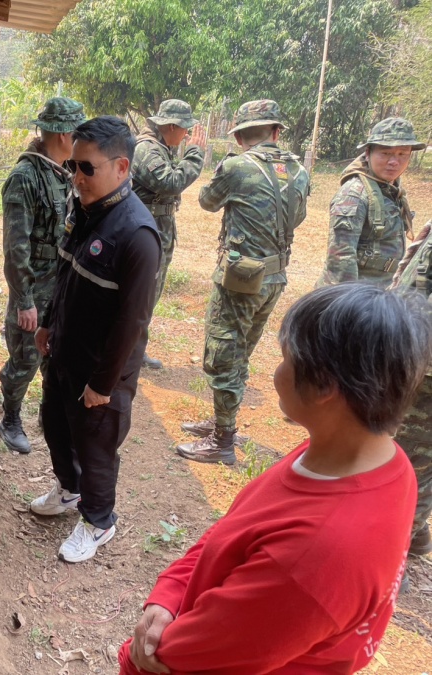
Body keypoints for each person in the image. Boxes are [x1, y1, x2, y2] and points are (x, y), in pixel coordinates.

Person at [120, 284, 431, 675]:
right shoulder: (374, 462)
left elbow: (168, 659)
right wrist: (170, 592)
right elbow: (236, 528)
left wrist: (131, 657)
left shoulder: (315, 556)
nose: (276, 372)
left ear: (325, 387)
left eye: (286, 359)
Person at [30, 116, 161, 562]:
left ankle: (99, 521)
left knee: (95, 447)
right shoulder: (85, 210)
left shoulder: (137, 236)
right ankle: (69, 490)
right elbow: (66, 272)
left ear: (121, 167)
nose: (77, 177)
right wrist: (48, 322)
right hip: (65, 350)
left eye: (87, 168)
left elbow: (132, 322)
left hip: (101, 370)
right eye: (73, 166)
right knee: (55, 425)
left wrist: (103, 385)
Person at [177, 100, 309, 465]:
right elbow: (298, 217)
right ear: (276, 132)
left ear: (238, 136)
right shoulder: (298, 170)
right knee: (241, 350)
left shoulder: (237, 167)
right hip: (275, 275)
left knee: (223, 354)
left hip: (241, 279)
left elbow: (207, 201)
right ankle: (222, 421)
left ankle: (222, 440)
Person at [0, 97, 85, 453]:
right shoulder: (26, 177)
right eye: (77, 131)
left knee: (57, 355)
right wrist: (24, 301)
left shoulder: (65, 172)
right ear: (64, 134)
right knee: (25, 358)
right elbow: (15, 247)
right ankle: (10, 417)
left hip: (61, 284)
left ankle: (50, 415)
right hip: (34, 288)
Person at [131, 99, 206, 370]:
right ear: (171, 126)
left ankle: (134, 351)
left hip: (157, 231)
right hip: (146, 234)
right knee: (140, 296)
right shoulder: (146, 149)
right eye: (184, 129)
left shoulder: (162, 147)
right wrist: (194, 154)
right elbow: (171, 182)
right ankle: (127, 355)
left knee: (148, 296)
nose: (186, 135)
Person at [317, 117, 425, 287]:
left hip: (381, 289)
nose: (394, 161)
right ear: (368, 153)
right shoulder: (354, 194)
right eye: (386, 153)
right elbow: (340, 259)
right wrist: (349, 301)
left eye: (402, 154)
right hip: (357, 293)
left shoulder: (391, 189)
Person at [390, 220, 432, 558]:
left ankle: (394, 551)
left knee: (407, 462)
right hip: (412, 354)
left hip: (424, 365)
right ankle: (412, 532)